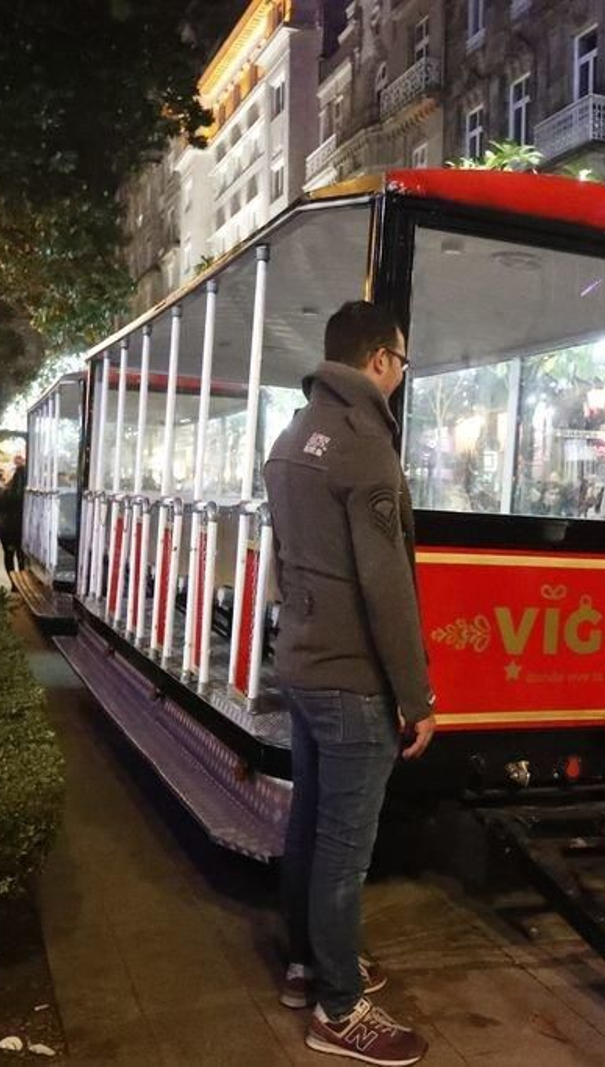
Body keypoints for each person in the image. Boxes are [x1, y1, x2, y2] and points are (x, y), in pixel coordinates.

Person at [263, 300, 436, 1066]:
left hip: (301, 662)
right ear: (377, 359)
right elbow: (387, 583)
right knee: (344, 847)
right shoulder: (366, 448)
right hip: (352, 676)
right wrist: (417, 695)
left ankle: (307, 961)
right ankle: (338, 1008)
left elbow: (284, 560)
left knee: (309, 824)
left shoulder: (293, 435)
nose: (400, 374)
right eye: (400, 360)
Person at [0, 457, 27, 576]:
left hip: (8, 529)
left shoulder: (7, 493)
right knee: (21, 556)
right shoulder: (29, 495)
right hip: (22, 529)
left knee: (9, 555)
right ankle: (22, 577)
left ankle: (14, 582)